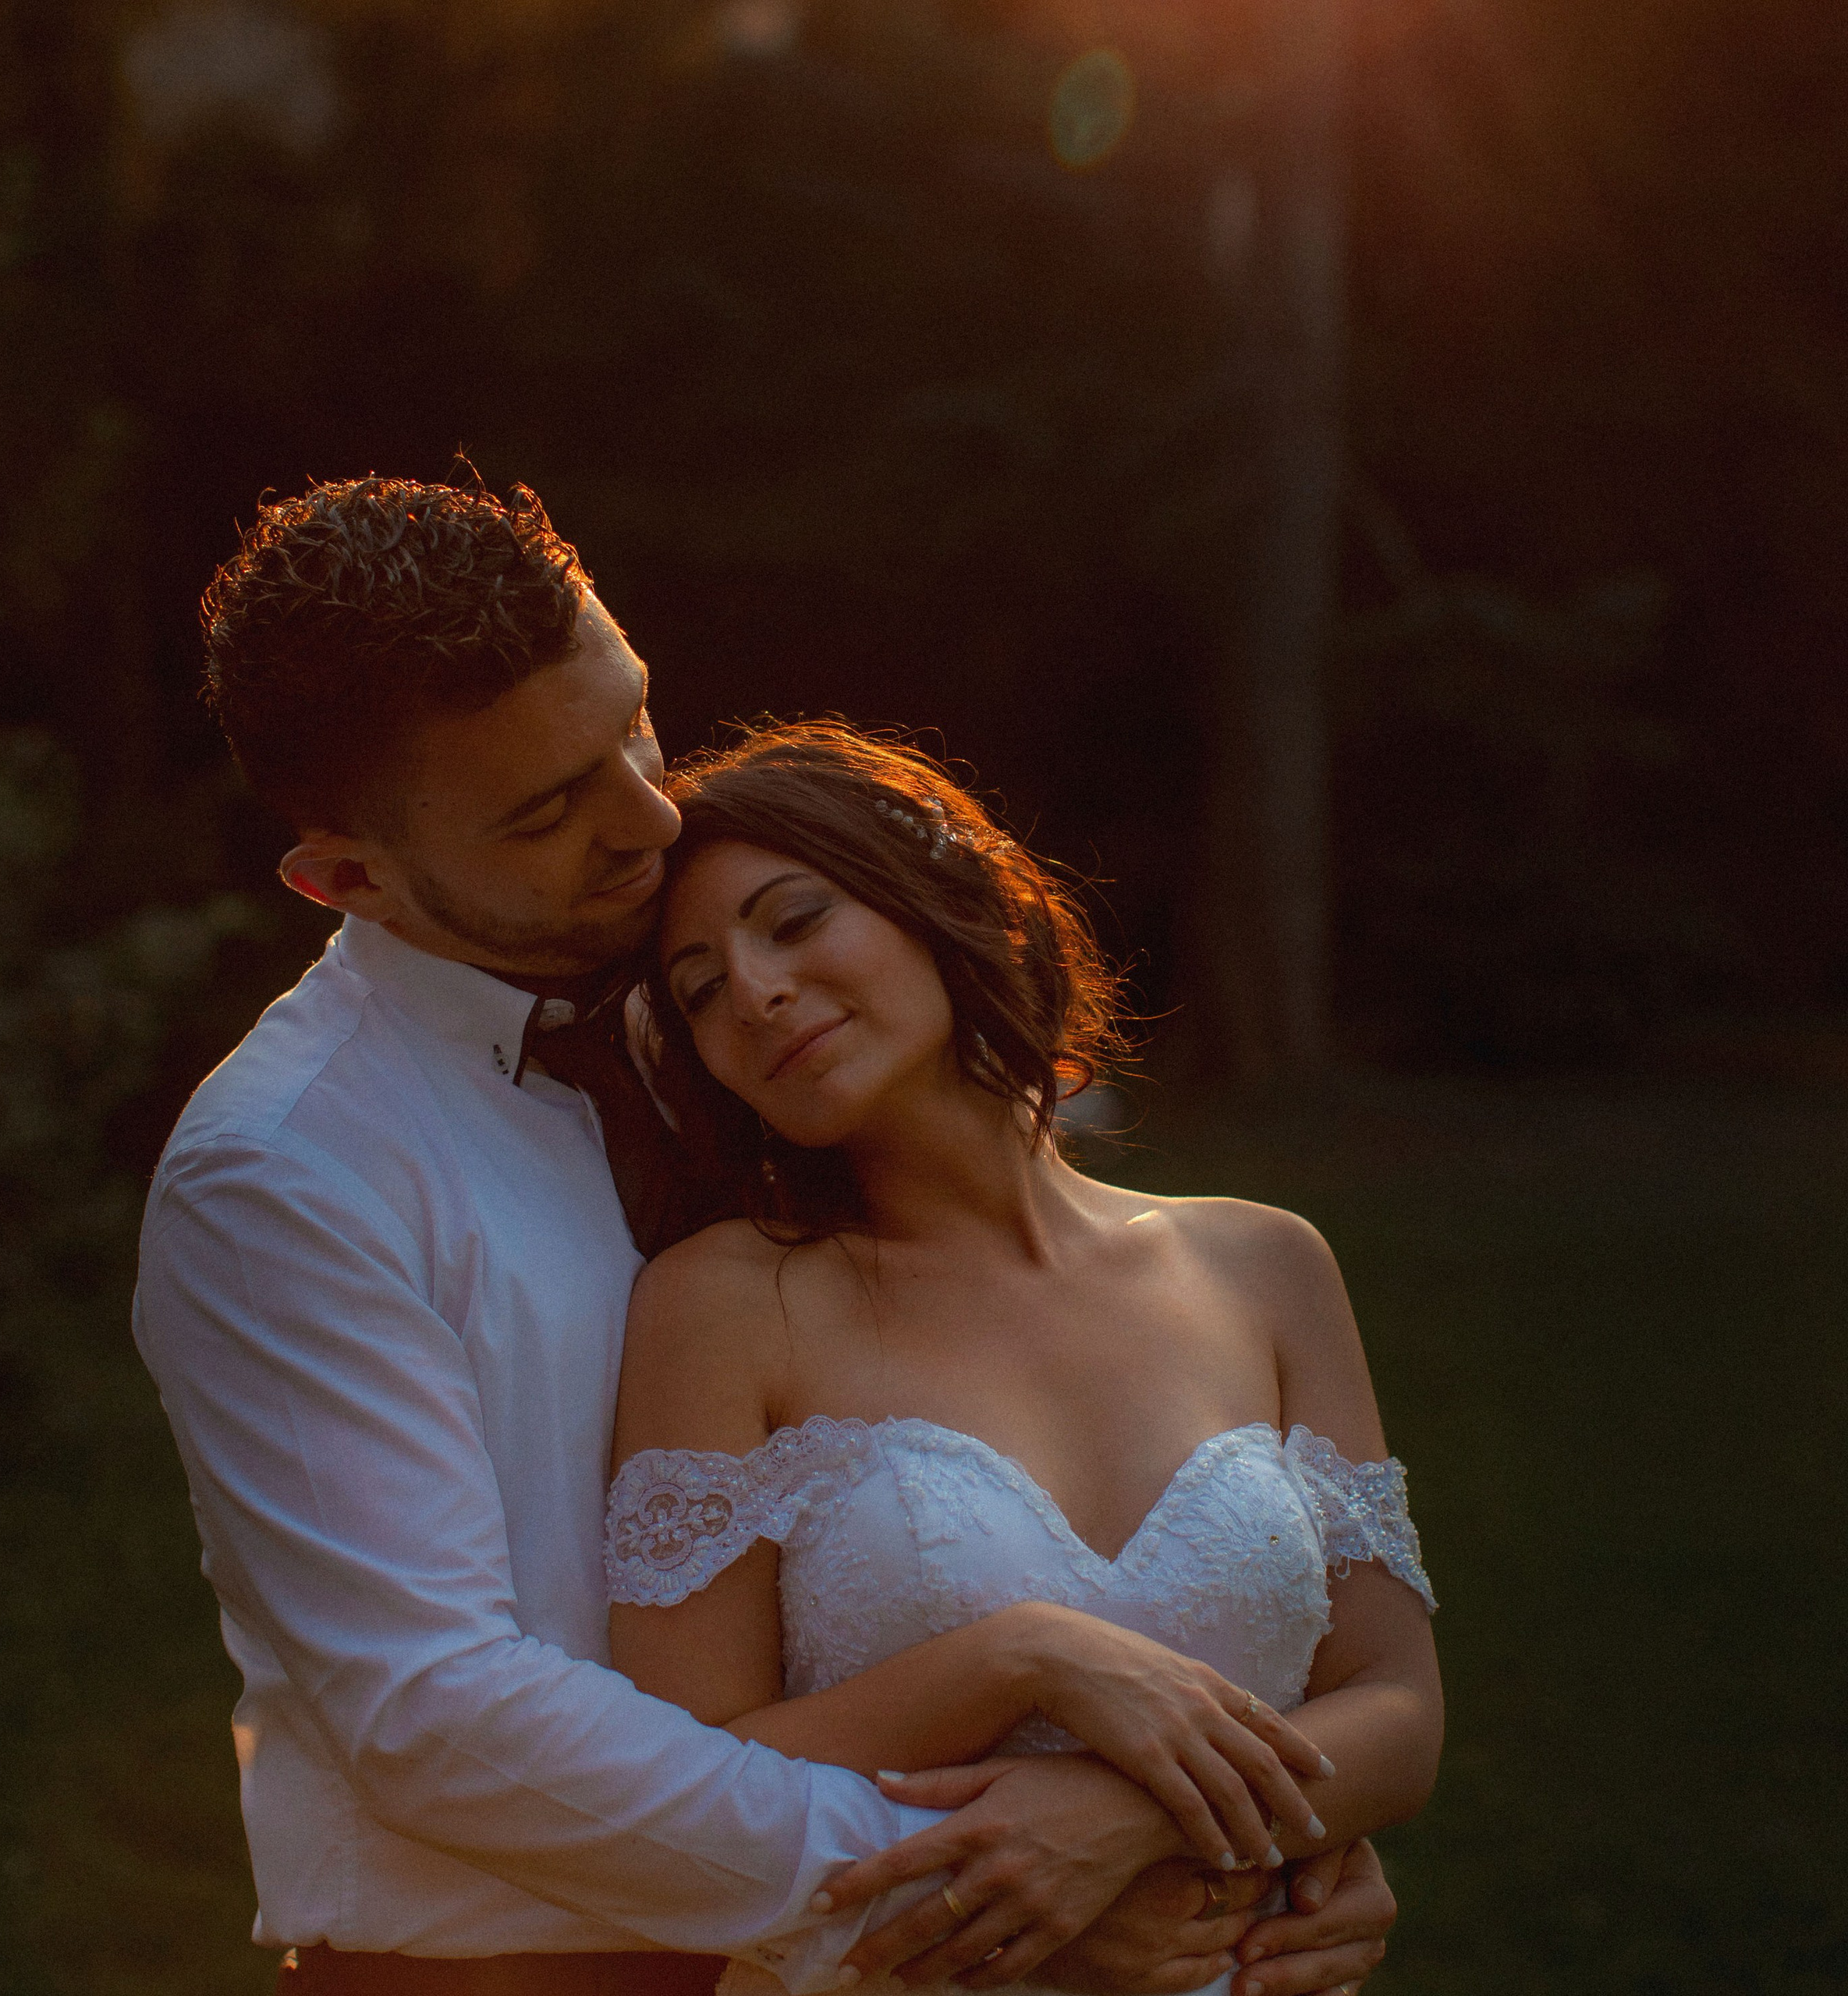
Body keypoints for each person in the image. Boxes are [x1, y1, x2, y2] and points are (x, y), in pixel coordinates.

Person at [133, 474, 1405, 1994]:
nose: (649, 815)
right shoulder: (287, 1173)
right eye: (550, 808)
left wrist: (1241, 1820)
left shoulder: (724, 1034)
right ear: (348, 877)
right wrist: (1016, 1869)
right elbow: (434, 1714)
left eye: (632, 725)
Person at [605, 724, 1445, 1993]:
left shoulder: (1265, 1267)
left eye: (792, 921)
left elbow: (1396, 1704)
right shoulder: (724, 1305)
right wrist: (1017, 1658)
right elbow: (685, 1774)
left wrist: (1128, 1823)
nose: (755, 991)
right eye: (700, 989)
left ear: (937, 898)